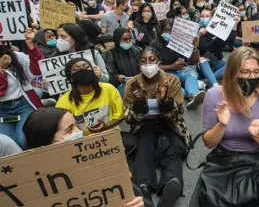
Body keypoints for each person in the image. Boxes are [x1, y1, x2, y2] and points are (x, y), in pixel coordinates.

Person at [190, 47, 259, 206]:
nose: (251, 77)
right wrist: (222, 125)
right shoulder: (215, 95)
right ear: (231, 72)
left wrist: (258, 135)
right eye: (244, 71)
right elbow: (208, 143)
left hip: (255, 162)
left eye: (256, 72)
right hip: (221, 159)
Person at [22, 107, 144, 207]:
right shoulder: (34, 186)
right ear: (46, 140)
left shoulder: (101, 159)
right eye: (69, 130)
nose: (78, 132)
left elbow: (130, 192)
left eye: (76, 126)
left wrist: (137, 202)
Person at [123, 47, 189, 207]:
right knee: (144, 149)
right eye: (143, 61)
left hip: (170, 123)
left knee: (173, 149)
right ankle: (143, 189)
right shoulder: (132, 84)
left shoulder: (172, 80)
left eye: (151, 59)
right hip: (144, 124)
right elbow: (128, 118)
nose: (148, 64)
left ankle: (169, 186)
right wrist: (139, 106)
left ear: (158, 61)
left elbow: (180, 112)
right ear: (138, 63)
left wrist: (166, 101)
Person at [55, 58, 124, 136]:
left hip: (112, 134)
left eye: (86, 67)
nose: (83, 70)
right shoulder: (64, 100)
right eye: (76, 69)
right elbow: (62, 128)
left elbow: (120, 115)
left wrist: (106, 126)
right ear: (71, 78)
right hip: (83, 143)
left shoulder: (108, 89)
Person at [0, 30, 44, 149]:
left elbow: (37, 72)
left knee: (23, 140)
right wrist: (1, 70)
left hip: (23, 105)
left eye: (4, 41)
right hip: (2, 110)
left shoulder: (17, 58)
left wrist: (32, 47)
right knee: (7, 144)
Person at [149, 19, 205, 109]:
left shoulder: (182, 41)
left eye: (171, 31)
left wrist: (194, 47)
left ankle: (193, 94)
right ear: (161, 31)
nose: (168, 34)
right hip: (164, 74)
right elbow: (151, 67)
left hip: (180, 71)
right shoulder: (155, 44)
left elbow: (194, 60)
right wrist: (172, 66)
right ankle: (190, 94)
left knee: (192, 74)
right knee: (172, 87)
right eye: (166, 31)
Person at [103, 27, 141, 97]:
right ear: (117, 40)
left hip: (139, 85)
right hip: (121, 88)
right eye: (125, 39)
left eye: (130, 39)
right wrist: (117, 78)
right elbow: (107, 76)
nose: (128, 41)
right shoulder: (109, 54)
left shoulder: (136, 50)